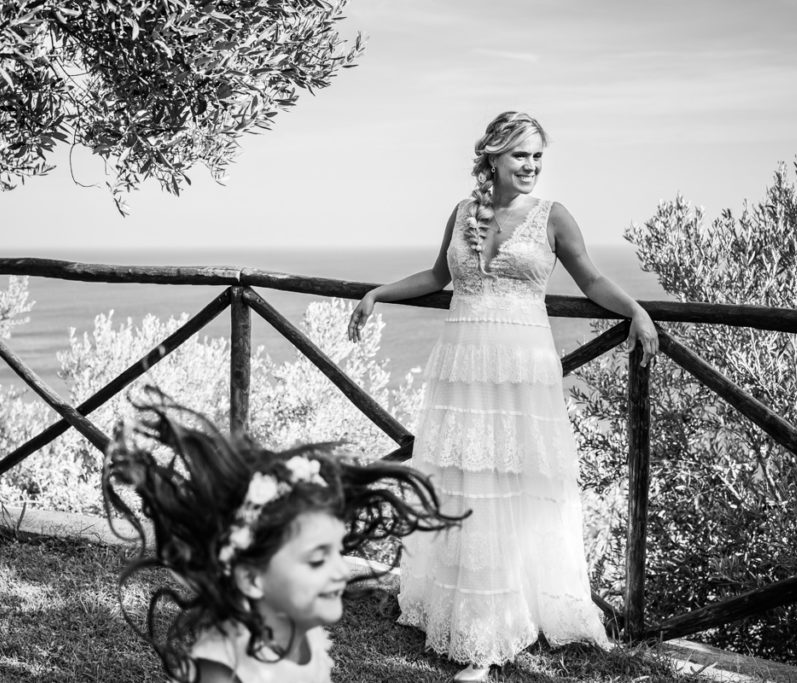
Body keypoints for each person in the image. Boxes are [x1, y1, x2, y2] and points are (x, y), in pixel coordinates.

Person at [347, 111, 658, 681]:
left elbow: (590, 280)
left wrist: (637, 311)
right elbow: (438, 276)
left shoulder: (553, 216)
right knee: (462, 479)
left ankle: (491, 636)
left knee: (509, 486)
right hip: (463, 365)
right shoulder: (463, 212)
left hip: (520, 370)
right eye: (521, 155)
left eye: (539, 156)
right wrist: (377, 293)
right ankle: (452, 606)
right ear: (492, 155)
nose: (532, 166)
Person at [102, 387, 467, 683]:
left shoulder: (301, 629)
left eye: (337, 551)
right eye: (317, 558)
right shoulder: (224, 670)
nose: (341, 571)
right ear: (251, 578)